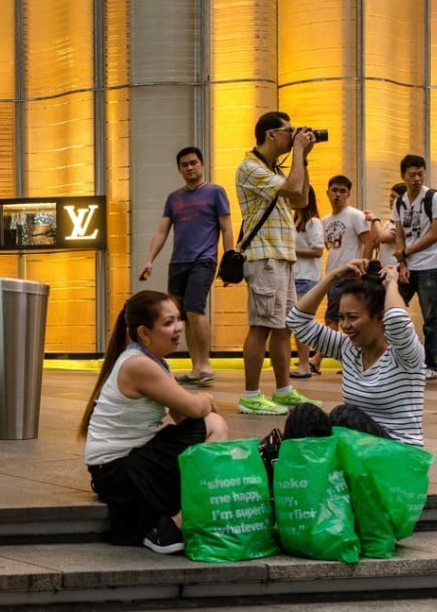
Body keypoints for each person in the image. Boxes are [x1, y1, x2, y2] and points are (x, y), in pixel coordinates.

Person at [80, 290, 229, 555]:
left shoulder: (154, 363)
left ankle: (191, 513)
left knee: (208, 424)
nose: (178, 328)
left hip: (121, 466)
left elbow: (183, 414)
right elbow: (194, 407)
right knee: (214, 423)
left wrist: (198, 408)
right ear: (144, 333)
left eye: (178, 320)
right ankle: (172, 529)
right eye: (168, 323)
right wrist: (205, 398)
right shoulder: (139, 365)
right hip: (118, 473)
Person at [234, 111, 321, 415]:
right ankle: (250, 395)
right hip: (264, 256)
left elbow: (300, 201)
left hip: (282, 256)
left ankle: (283, 390)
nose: (293, 135)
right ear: (271, 134)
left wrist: (303, 158)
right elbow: (295, 190)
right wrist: (298, 150)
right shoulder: (249, 168)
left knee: (284, 327)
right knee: (261, 326)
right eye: (289, 131)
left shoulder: (272, 169)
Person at [285, 259, 425, 446]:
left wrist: (392, 283)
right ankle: (299, 475)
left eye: (352, 317)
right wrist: (334, 277)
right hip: (360, 455)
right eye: (341, 317)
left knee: (343, 415)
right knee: (303, 414)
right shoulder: (348, 348)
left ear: (380, 318)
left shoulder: (405, 354)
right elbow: (297, 321)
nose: (344, 325)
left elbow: (398, 320)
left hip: (400, 459)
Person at [139, 146, 234, 385]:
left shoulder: (215, 192)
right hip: (178, 261)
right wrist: (150, 259)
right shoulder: (174, 198)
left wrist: (230, 257)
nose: (190, 167)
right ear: (179, 169)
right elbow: (162, 231)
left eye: (193, 163)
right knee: (184, 315)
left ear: (202, 165)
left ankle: (206, 365)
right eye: (184, 165)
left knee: (195, 308)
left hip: (204, 260)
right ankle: (196, 367)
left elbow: (227, 227)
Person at [307, 175, 371, 374]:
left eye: (343, 191)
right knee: (333, 320)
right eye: (334, 190)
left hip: (353, 276)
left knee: (348, 320)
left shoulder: (355, 216)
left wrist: (364, 268)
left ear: (349, 194)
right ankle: (342, 360)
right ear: (327, 192)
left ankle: (318, 358)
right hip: (334, 276)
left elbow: (368, 241)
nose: (338, 195)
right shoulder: (324, 220)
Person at [393, 154, 437, 380]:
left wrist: (407, 252)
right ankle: (396, 359)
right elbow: (399, 234)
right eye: (412, 175)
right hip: (408, 266)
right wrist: (401, 263)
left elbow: (434, 235)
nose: (417, 179)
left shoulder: (432, 197)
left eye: (421, 174)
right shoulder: (399, 202)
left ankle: (432, 364)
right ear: (403, 176)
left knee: (431, 317)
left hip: (431, 264)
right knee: (393, 310)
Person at [290, 186, 323, 379]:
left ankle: (304, 364)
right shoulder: (294, 220)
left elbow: (318, 250)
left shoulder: (313, 223)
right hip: (294, 277)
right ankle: (303, 362)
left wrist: (291, 252)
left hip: (307, 277)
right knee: (295, 322)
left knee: (300, 322)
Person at [373, 182, 407, 266]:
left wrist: (375, 220)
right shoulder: (389, 222)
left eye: (394, 197)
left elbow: (383, 238)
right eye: (390, 196)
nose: (391, 200)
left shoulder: (403, 221)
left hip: (396, 269)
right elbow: (377, 242)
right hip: (384, 268)